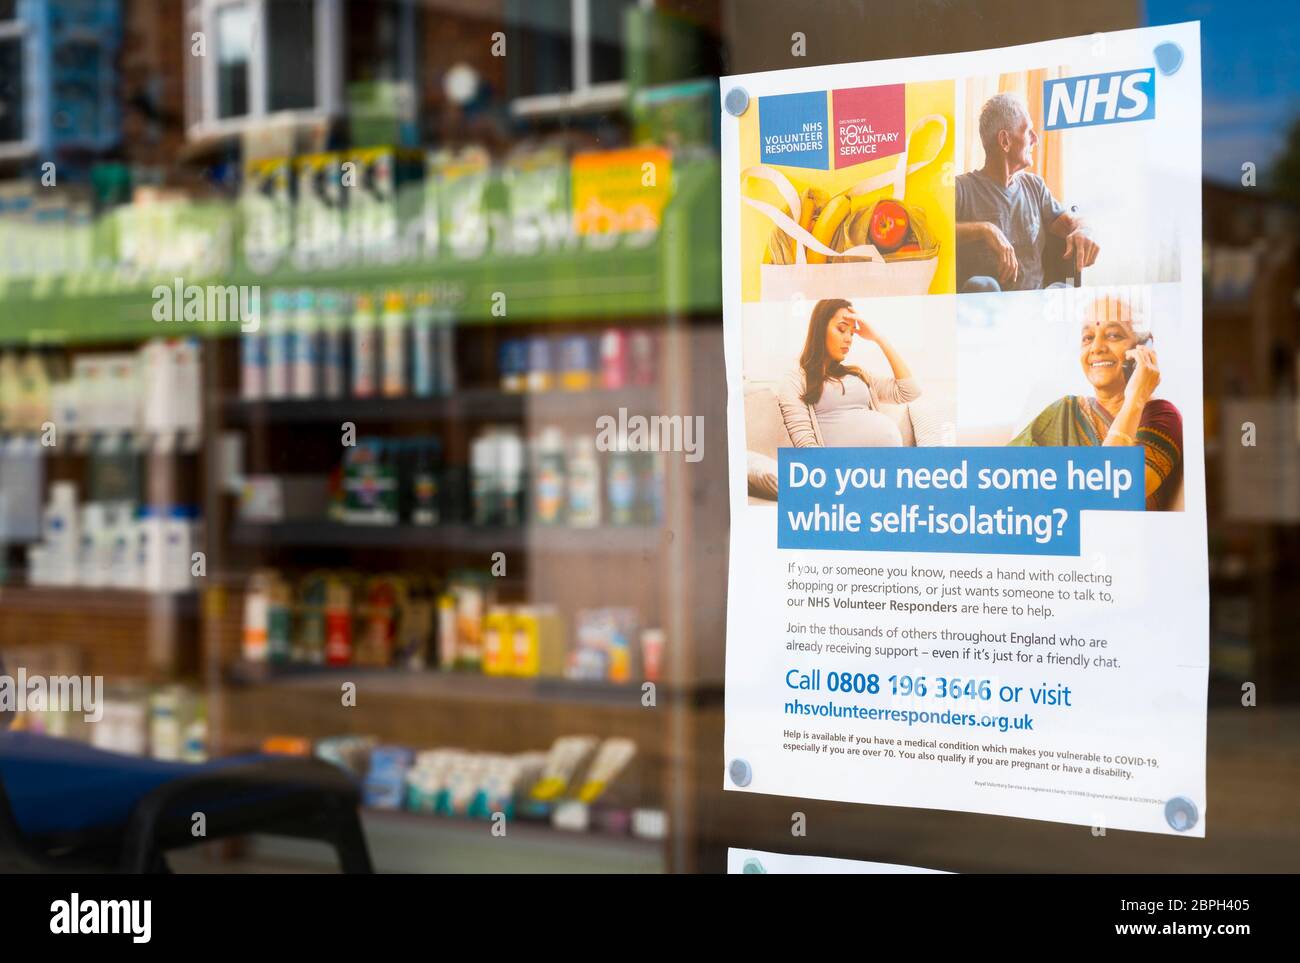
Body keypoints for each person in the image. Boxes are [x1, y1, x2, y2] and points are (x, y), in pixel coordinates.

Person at [1010, 295, 1182, 511]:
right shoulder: (1065, 412)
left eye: (1113, 335)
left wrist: (1136, 397)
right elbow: (1007, 482)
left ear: (1143, 348)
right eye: (1088, 337)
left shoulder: (1161, 415)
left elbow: (1111, 492)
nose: (1096, 347)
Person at [956, 93, 1100, 293]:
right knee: (982, 286)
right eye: (1028, 131)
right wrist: (986, 229)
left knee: (1063, 291)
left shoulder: (1034, 186)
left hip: (1034, 308)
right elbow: (938, 234)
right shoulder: (962, 188)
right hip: (986, 313)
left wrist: (1084, 230)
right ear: (1005, 140)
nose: (1036, 138)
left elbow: (1070, 223)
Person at [778, 298, 920, 447]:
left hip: (884, 465)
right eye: (841, 329)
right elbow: (805, 447)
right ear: (819, 329)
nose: (849, 339)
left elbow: (910, 391)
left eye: (852, 333)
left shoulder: (858, 374)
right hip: (843, 468)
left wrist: (878, 338)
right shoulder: (796, 379)